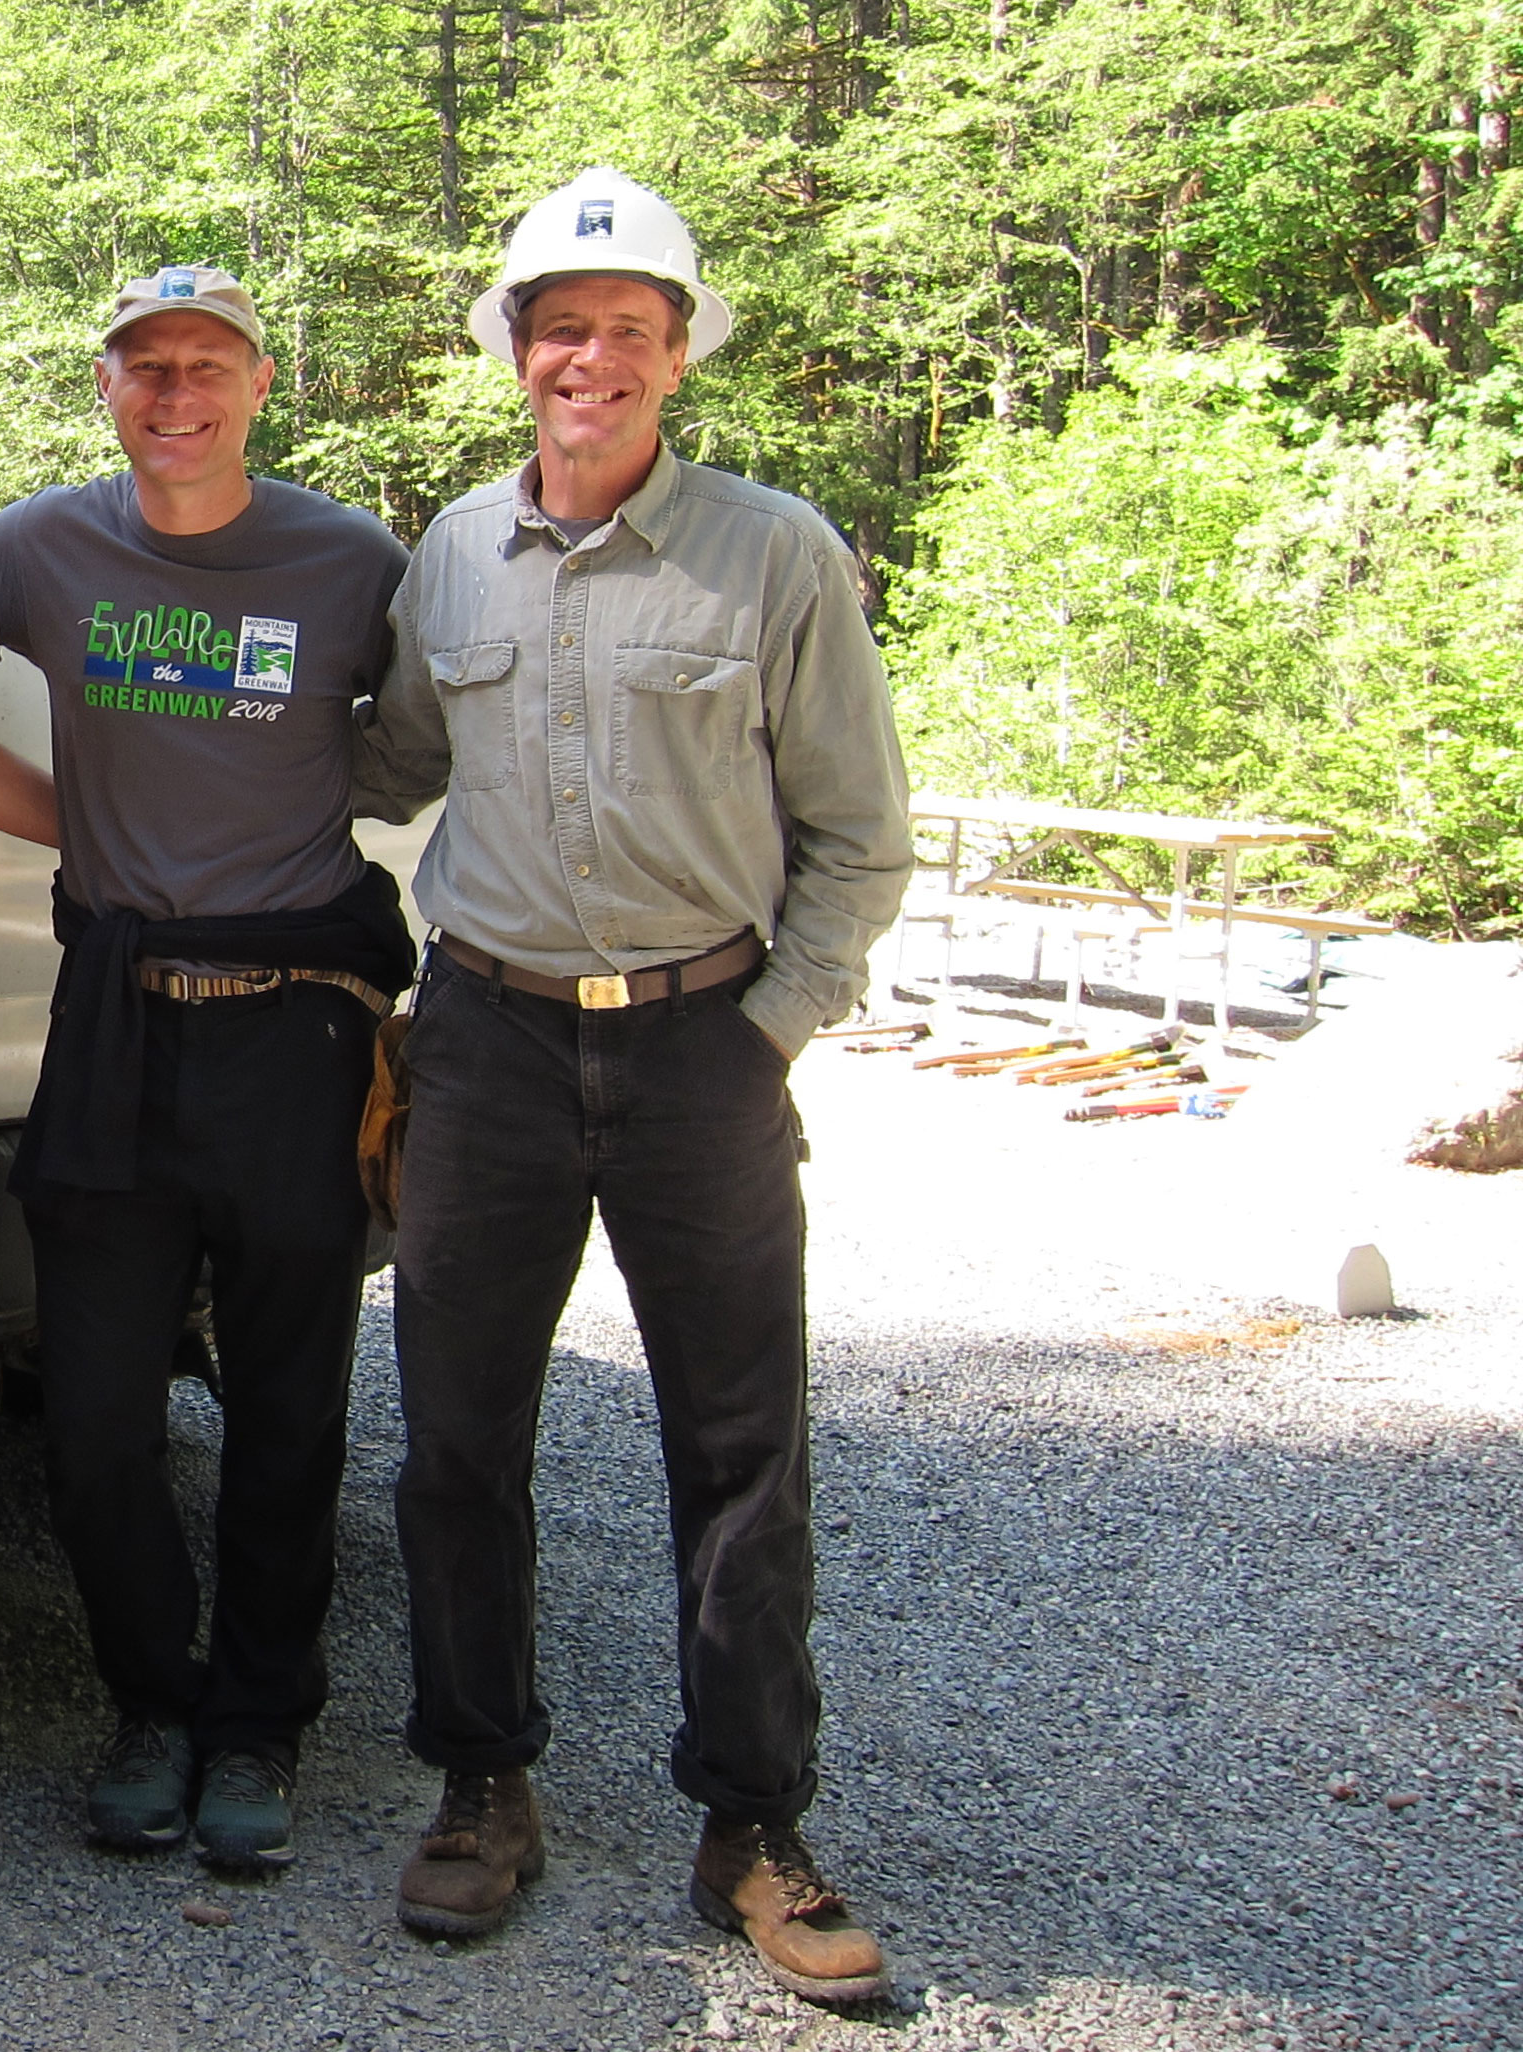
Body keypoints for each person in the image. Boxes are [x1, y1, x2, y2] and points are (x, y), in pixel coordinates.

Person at [350, 167, 913, 2006]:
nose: (586, 356)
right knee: (453, 1435)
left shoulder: (774, 555)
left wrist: (767, 1027)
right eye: (556, 325)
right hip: (490, 1040)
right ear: (513, 354)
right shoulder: (445, 554)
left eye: (624, 327)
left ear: (675, 354)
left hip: (700, 1044)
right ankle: (478, 1777)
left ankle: (750, 1817)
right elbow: (387, 759)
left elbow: (855, 835)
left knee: (738, 1452)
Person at [0, 266, 415, 1874]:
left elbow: (429, 740)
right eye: (145, 366)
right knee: (92, 1421)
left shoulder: (354, 563)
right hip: (115, 1023)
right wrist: (89, 831)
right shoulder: (37, 547)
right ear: (106, 389)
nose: (176, 394)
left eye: (206, 364)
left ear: (260, 384)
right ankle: (150, 1705)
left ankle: (256, 1728)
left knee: (291, 1410)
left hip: (298, 1028)